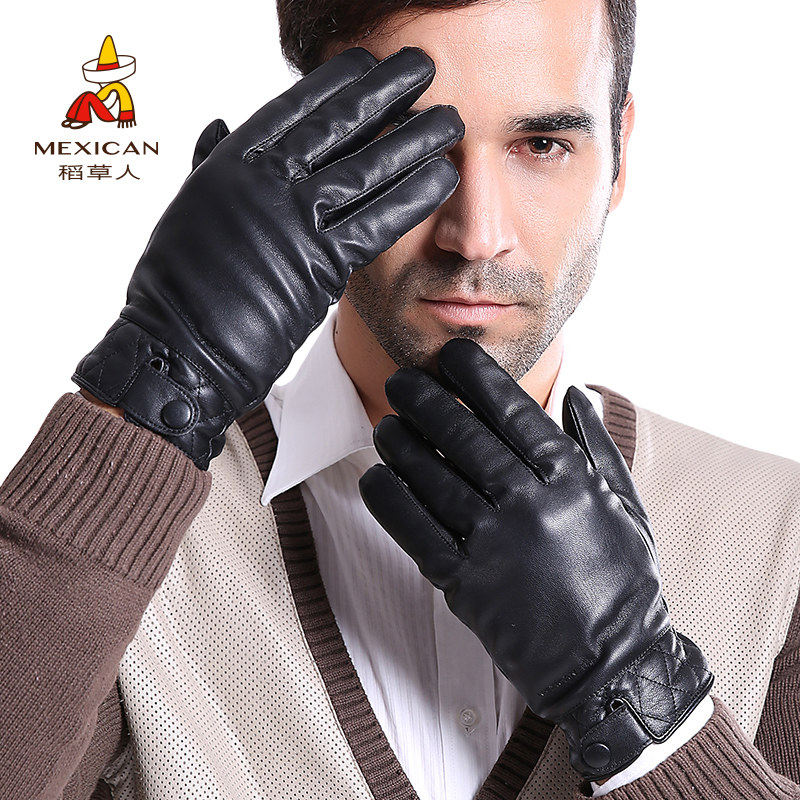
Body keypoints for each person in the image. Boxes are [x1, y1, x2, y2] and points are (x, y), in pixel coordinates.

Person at [1, 2, 798, 799]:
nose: (475, 234)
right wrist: (157, 381)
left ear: (619, 154)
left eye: (542, 144)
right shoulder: (125, 541)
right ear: (308, 134)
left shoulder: (778, 541)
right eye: (407, 142)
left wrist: (643, 704)